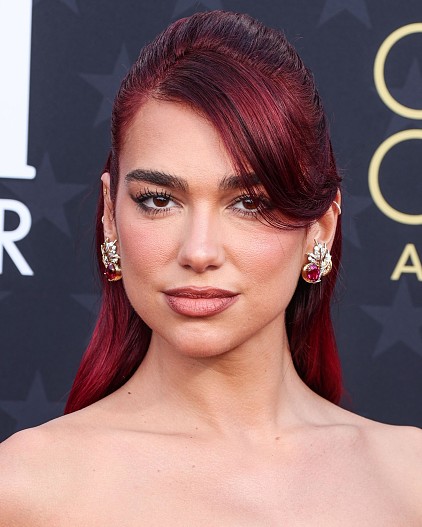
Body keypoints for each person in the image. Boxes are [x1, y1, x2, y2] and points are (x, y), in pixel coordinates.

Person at [0, 10, 421, 526]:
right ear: (110, 214)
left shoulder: (408, 479)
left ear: (322, 228)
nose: (199, 252)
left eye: (248, 203)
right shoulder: (23, 487)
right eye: (159, 200)